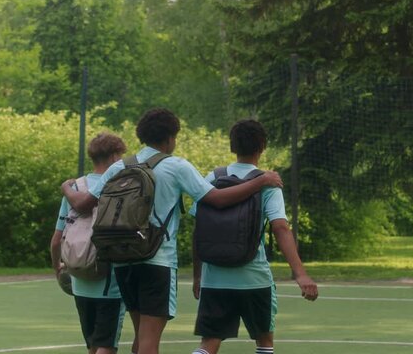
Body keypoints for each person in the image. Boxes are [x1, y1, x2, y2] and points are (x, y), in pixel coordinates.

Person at [61, 108, 283, 354]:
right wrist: (261, 181)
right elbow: (217, 199)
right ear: (169, 138)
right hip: (157, 260)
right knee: (149, 341)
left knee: (140, 336)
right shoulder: (176, 166)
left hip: (123, 259)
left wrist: (66, 187)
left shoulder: (120, 167)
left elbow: (82, 204)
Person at [190, 119, 318, 354]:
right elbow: (281, 228)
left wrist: (198, 276)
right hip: (254, 277)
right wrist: (301, 274)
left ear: (232, 146)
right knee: (264, 341)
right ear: (263, 146)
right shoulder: (269, 182)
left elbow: (199, 229)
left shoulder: (212, 178)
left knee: (209, 344)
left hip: (214, 277)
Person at [51, 133, 132, 354]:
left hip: (79, 278)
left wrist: (58, 267)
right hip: (110, 284)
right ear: (115, 156)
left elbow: (57, 239)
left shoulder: (74, 188)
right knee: (106, 346)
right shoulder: (119, 187)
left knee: (93, 346)